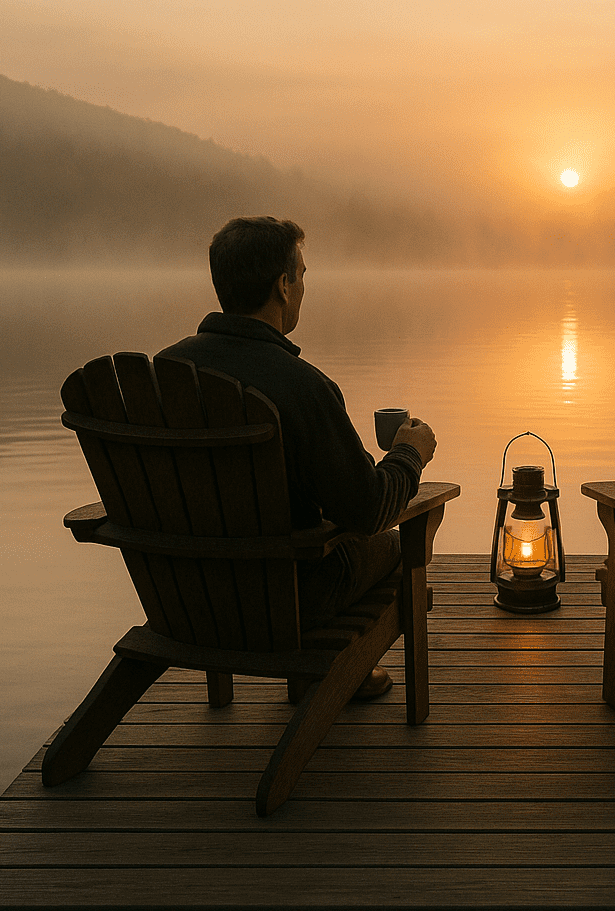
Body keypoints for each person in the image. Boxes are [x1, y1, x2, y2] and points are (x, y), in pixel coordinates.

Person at [157, 216, 437, 699]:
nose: (305, 286)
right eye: (302, 275)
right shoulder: (302, 387)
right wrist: (409, 455)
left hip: (185, 596)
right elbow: (367, 510)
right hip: (289, 601)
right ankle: (338, 673)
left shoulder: (166, 372)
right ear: (283, 286)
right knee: (396, 545)